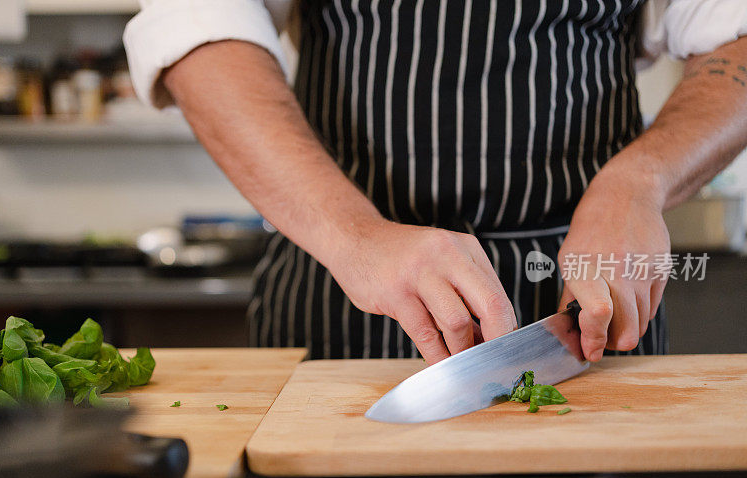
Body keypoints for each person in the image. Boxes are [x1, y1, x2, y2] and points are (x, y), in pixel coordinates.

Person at [124, 0, 747, 363]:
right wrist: (354, 234)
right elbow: (196, 23)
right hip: (342, 300)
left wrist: (640, 181)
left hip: (587, 306)